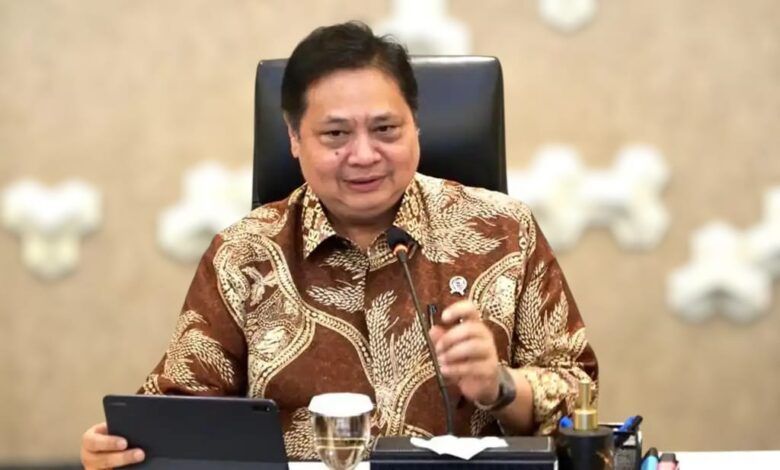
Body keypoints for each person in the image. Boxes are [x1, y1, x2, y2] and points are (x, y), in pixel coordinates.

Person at [81, 21, 597, 468]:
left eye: (385, 128)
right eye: (335, 135)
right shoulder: (244, 254)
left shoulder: (503, 231)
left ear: (416, 126)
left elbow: (580, 399)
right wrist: (121, 449)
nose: (364, 155)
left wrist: (500, 386)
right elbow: (179, 413)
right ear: (293, 138)